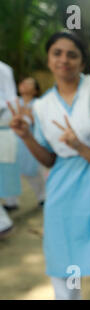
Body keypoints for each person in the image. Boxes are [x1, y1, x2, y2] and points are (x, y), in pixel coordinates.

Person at [9, 31, 90, 300]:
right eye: (57, 53)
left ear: (83, 61)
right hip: (64, 189)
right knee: (63, 262)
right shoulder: (43, 106)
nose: (64, 59)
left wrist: (81, 146)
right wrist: (26, 136)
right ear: (48, 59)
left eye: (72, 54)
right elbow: (50, 158)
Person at [11, 77, 46, 208]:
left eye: (28, 83)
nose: (23, 84)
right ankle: (11, 201)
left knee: (34, 171)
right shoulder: (13, 103)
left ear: (36, 90)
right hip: (13, 142)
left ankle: (42, 197)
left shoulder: (39, 104)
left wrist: (31, 118)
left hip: (32, 142)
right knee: (10, 172)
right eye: (22, 82)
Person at [0, 60, 18, 237]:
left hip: (3, 124)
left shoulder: (3, 69)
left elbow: (11, 98)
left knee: (6, 170)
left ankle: (3, 222)